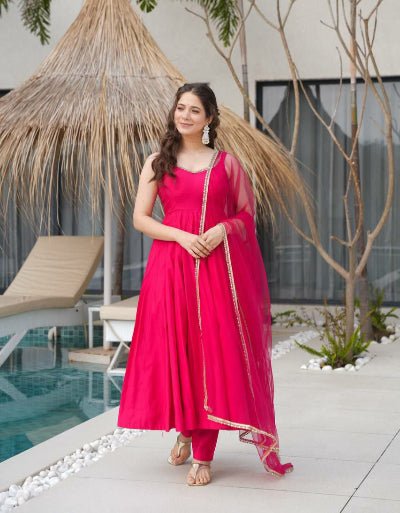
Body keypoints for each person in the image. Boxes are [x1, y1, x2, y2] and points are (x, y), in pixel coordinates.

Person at [117, 82, 294, 486]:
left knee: (209, 357)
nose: (185, 116)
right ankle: (185, 429)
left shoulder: (227, 164)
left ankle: (203, 455)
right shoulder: (157, 162)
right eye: (181, 108)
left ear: (209, 118)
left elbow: (247, 216)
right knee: (177, 354)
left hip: (214, 271)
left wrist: (221, 229)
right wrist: (182, 237)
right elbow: (141, 218)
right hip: (170, 270)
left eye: (195, 110)